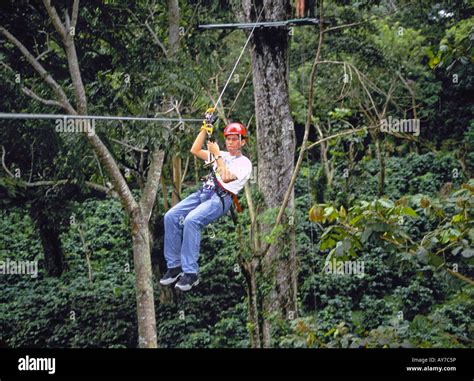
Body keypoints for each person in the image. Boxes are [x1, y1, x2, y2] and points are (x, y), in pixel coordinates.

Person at [160, 122, 252, 291]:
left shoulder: (244, 163)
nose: (231, 142)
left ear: (242, 142)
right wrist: (204, 128)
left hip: (220, 199)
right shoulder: (222, 154)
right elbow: (195, 150)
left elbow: (225, 177)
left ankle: (191, 273)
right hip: (203, 194)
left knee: (191, 221)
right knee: (171, 216)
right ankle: (174, 266)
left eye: (235, 139)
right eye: (228, 139)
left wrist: (217, 155)